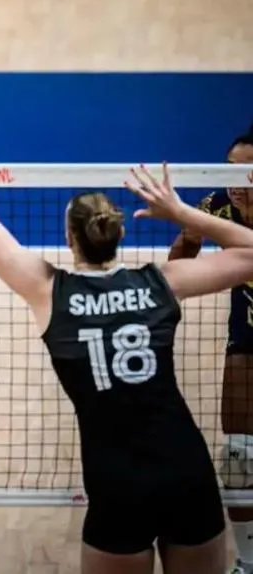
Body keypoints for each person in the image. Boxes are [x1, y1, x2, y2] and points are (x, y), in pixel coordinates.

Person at [0, 75, 253, 574]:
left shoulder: (50, 292)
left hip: (115, 481)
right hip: (185, 470)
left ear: (68, 236)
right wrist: (185, 213)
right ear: (119, 234)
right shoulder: (161, 282)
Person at [166, 124, 253, 574]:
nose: (238, 182)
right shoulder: (215, 206)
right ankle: (249, 559)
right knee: (239, 454)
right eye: (231, 170)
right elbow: (183, 253)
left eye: (249, 172)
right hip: (248, 335)